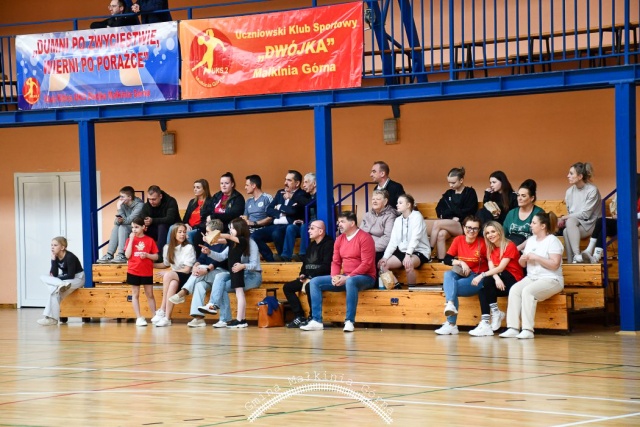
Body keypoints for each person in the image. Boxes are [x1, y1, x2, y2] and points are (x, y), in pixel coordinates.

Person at [301, 211, 376, 333]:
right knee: (314, 282)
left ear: (352, 223)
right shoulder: (339, 239)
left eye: (342, 222)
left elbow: (366, 264)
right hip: (346, 276)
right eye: (338, 222)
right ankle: (316, 321)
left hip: (366, 277)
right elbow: (335, 262)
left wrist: (348, 277)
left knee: (351, 281)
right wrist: (334, 277)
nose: (339, 224)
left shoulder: (365, 238)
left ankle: (349, 321)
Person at [500, 212, 564, 339]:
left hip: (551, 279)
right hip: (532, 277)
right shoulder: (530, 240)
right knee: (514, 290)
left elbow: (555, 265)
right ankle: (512, 327)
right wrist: (522, 260)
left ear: (543, 226)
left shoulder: (553, 241)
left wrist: (536, 257)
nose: (531, 225)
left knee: (528, 291)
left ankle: (527, 329)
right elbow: (522, 264)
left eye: (534, 223)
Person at [468, 222, 524, 336]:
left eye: (493, 231)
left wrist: (482, 275)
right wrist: (497, 278)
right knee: (482, 289)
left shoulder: (509, 245)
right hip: (500, 281)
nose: (490, 235)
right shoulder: (490, 247)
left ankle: (496, 313)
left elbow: (501, 267)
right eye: (487, 233)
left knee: (486, 280)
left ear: (499, 231)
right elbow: (492, 267)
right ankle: (486, 322)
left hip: (513, 281)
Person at [434, 216, 488, 335]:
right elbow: (447, 259)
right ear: (463, 228)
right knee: (448, 274)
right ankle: (450, 305)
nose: (471, 231)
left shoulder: (483, 243)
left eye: (475, 228)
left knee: (451, 287)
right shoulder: (459, 240)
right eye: (469, 227)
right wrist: (461, 262)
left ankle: (451, 324)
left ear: (479, 230)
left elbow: (492, 262)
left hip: (478, 277)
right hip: (462, 273)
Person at [168, 219, 227, 327]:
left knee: (202, 268)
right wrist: (195, 266)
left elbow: (219, 261)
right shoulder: (208, 243)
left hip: (220, 273)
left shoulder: (225, 243)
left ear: (216, 232)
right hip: (206, 275)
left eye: (208, 232)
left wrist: (207, 269)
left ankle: (183, 292)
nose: (206, 234)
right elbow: (201, 258)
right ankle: (198, 318)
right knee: (199, 285)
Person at [283, 220, 334, 328]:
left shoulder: (329, 244)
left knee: (310, 286)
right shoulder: (311, 245)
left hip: (320, 278)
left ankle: (312, 317)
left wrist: (310, 276)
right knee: (287, 287)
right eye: (309, 228)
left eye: (312, 228)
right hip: (307, 277)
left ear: (320, 231)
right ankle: (299, 316)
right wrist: (302, 274)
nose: (309, 231)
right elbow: (305, 263)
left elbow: (326, 266)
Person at [251, 170, 309, 262]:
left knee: (276, 234)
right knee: (254, 236)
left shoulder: (301, 194)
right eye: (285, 179)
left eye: (289, 180)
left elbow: (294, 211)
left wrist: (279, 207)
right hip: (274, 225)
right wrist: (282, 213)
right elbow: (269, 210)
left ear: (297, 183)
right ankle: (271, 259)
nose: (285, 183)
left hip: (289, 225)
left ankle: (284, 258)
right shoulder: (280, 192)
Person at [582, 174, 640, 263]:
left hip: (633, 226)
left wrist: (629, 215)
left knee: (601, 221)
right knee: (605, 228)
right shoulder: (627, 196)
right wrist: (618, 214)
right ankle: (595, 257)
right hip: (622, 223)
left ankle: (589, 250)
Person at [379, 194, 431, 285]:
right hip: (403, 251)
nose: (397, 205)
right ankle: (396, 287)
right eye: (397, 203)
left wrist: (408, 254)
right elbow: (393, 241)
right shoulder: (398, 220)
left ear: (408, 205)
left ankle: (411, 290)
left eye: (400, 203)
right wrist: (385, 257)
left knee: (408, 263)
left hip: (419, 251)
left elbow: (415, 237)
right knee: (383, 265)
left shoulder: (417, 216)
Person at [429, 167, 479, 261]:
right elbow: (439, 209)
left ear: (461, 180)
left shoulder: (469, 192)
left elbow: (469, 211)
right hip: (451, 223)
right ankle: (442, 261)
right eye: (449, 182)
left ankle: (427, 252)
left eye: (453, 183)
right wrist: (452, 216)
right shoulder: (449, 193)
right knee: (441, 234)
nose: (450, 185)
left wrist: (452, 211)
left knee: (437, 223)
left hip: (464, 225)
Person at [151, 223, 195, 327]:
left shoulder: (189, 247)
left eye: (184, 232)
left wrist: (170, 273)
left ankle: (162, 309)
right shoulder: (167, 247)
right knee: (173, 284)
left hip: (187, 276)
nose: (182, 234)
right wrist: (151, 265)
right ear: (173, 234)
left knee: (168, 276)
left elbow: (187, 270)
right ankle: (167, 318)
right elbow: (165, 264)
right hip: (175, 277)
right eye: (180, 232)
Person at [558, 162, 601, 263]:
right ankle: (576, 257)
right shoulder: (569, 192)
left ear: (580, 176)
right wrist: (565, 219)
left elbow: (586, 214)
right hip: (576, 224)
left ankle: (574, 259)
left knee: (567, 228)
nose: (568, 176)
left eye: (571, 173)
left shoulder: (592, 190)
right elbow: (571, 213)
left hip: (592, 224)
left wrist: (564, 217)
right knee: (566, 229)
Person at [37, 236, 85, 326]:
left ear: (62, 247)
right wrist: (53, 260)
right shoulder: (56, 257)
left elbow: (71, 275)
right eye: (51, 245)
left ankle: (51, 319)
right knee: (43, 278)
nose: (52, 247)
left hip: (77, 279)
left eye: (55, 245)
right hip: (65, 280)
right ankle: (51, 319)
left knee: (54, 289)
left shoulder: (70, 257)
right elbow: (54, 274)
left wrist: (57, 280)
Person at [124, 217, 159, 326]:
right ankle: (139, 317)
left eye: (136, 227)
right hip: (133, 271)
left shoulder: (150, 240)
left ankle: (154, 316)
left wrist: (147, 255)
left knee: (150, 294)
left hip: (146, 272)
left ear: (143, 227)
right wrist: (131, 240)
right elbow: (127, 255)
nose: (134, 229)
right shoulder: (129, 240)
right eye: (132, 227)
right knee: (135, 294)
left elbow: (156, 257)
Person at [98, 186, 144, 264]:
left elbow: (130, 220)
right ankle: (109, 254)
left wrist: (119, 208)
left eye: (122, 197)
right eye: (120, 196)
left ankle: (121, 255)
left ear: (129, 197)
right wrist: (120, 220)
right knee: (116, 227)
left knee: (123, 227)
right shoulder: (123, 204)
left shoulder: (139, 205)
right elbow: (116, 222)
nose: (120, 199)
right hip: (127, 226)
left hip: (137, 228)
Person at [283, 172, 317, 262]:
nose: (303, 185)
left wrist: (293, 197)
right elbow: (299, 208)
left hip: (318, 224)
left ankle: (303, 254)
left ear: (314, 184)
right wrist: (300, 219)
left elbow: (309, 204)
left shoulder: (321, 195)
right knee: (291, 228)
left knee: (304, 226)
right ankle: (286, 256)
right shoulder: (307, 195)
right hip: (307, 223)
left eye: (306, 182)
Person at [140, 185, 180, 260]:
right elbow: (142, 216)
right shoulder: (147, 204)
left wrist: (152, 220)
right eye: (149, 199)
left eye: (154, 199)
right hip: (156, 229)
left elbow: (170, 219)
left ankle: (159, 256)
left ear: (160, 196)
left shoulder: (170, 201)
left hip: (171, 228)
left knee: (162, 226)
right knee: (140, 228)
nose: (151, 202)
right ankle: (140, 255)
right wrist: (145, 222)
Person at [503, 179, 544, 251]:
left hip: (532, 249)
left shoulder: (539, 213)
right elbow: (503, 233)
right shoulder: (511, 213)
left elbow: (538, 236)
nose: (519, 198)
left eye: (523, 196)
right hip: (511, 246)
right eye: (518, 195)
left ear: (532, 198)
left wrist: (518, 248)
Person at [359, 189, 396, 264]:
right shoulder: (367, 215)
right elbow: (359, 233)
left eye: (378, 199)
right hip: (363, 248)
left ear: (385, 201)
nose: (374, 201)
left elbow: (387, 238)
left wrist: (369, 248)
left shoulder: (390, 216)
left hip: (378, 250)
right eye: (373, 199)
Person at [181, 178, 214, 248]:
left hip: (199, 228)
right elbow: (185, 218)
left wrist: (193, 227)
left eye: (198, 187)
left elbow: (206, 221)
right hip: (188, 227)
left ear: (204, 189)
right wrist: (186, 224)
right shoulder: (192, 202)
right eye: (194, 187)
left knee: (188, 234)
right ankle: (169, 253)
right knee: (172, 228)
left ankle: (191, 254)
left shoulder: (210, 202)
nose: (195, 189)